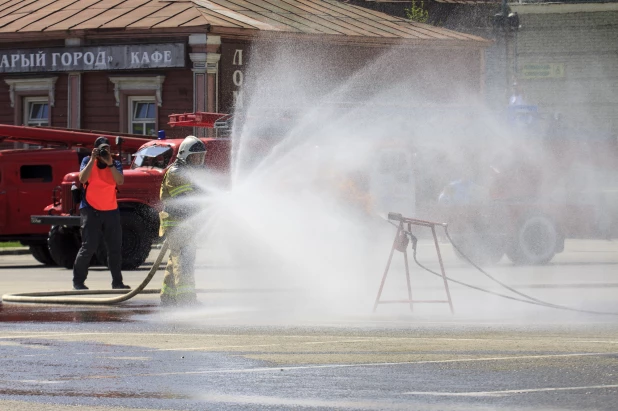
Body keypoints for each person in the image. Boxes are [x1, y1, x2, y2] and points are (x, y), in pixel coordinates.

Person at [73, 137, 130, 290]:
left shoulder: (115, 163)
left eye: (108, 149)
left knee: (114, 248)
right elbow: (82, 178)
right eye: (102, 149)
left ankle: (117, 282)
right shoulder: (87, 161)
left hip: (110, 210)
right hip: (90, 209)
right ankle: (78, 282)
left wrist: (109, 162)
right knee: (88, 247)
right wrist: (92, 159)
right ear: (95, 150)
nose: (106, 151)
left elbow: (120, 181)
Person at [159, 135, 206, 307]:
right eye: (195, 157)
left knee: (175, 262)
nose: (198, 160)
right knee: (184, 263)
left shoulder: (189, 172)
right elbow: (190, 197)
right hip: (177, 224)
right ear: (185, 155)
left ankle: (168, 298)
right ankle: (187, 301)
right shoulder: (176, 172)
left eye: (201, 156)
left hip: (185, 224)